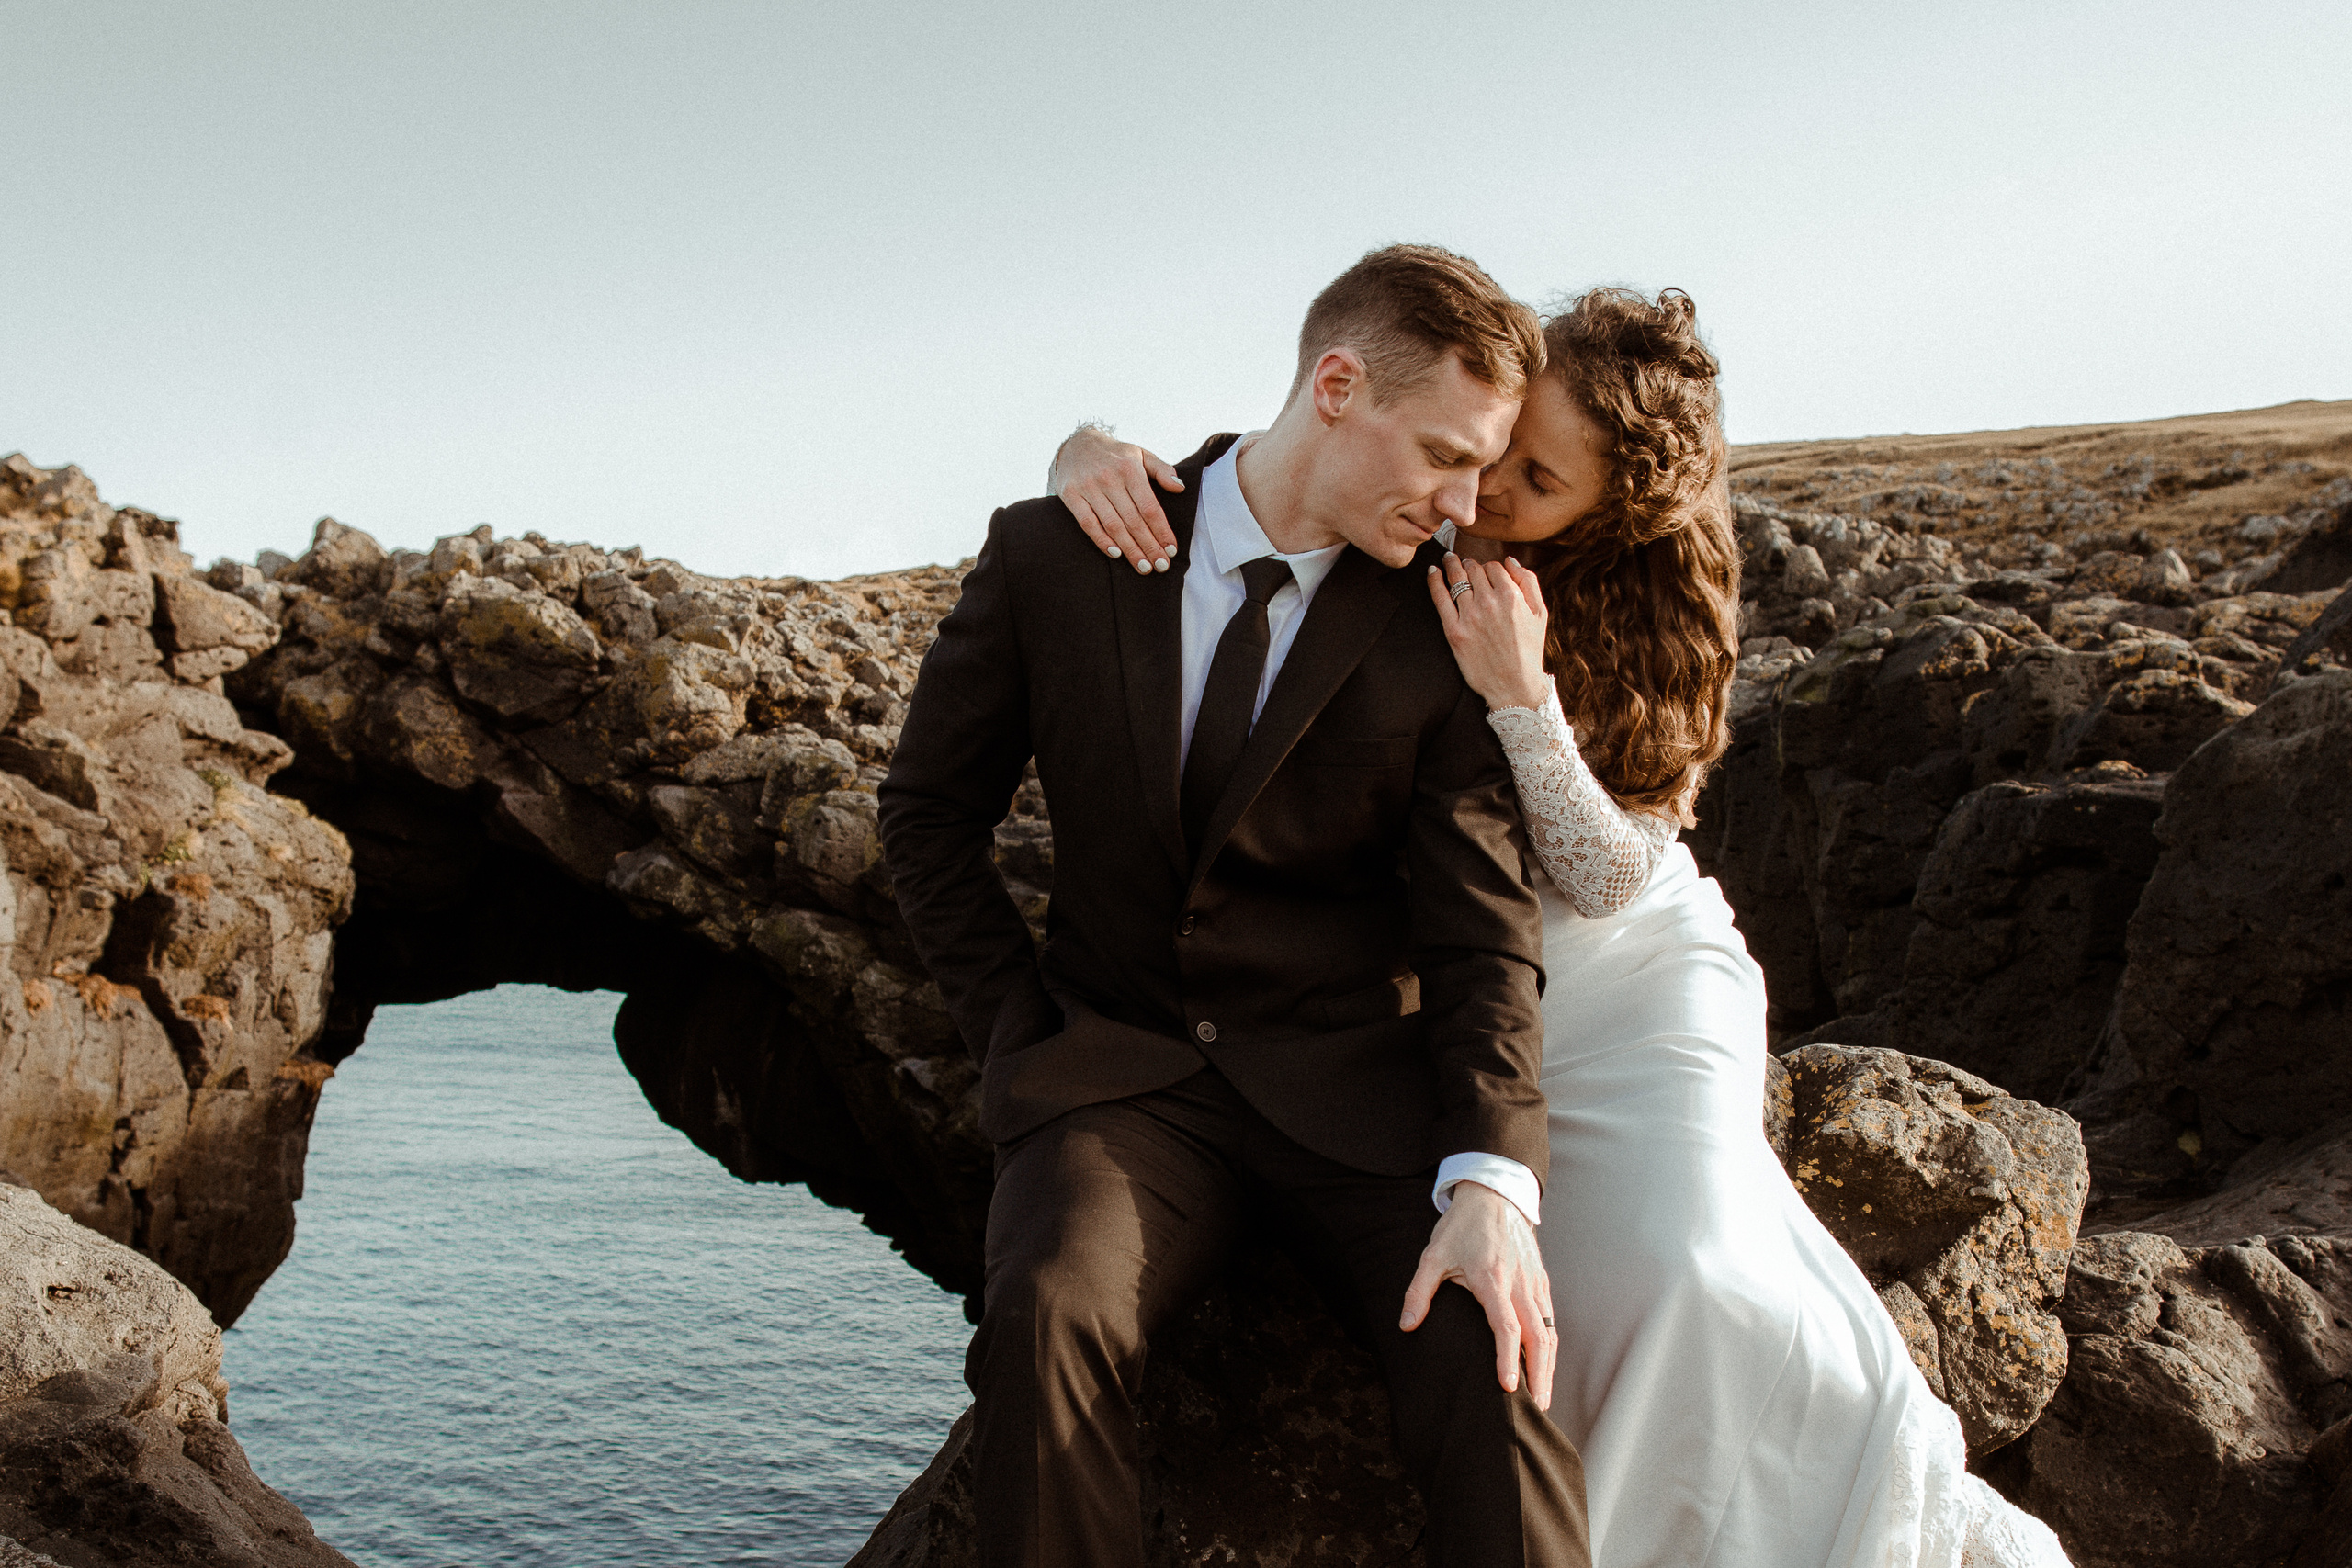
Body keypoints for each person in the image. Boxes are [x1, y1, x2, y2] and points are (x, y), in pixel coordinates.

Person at [1050, 286, 2074, 1567]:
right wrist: (1083, 452)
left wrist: (1522, 697)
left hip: (1633, 976)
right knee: (1549, 1313)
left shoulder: (1663, 610)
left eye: (1536, 479)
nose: (1487, 488)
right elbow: (1275, 467)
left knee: (1691, 1271)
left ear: (1606, 514)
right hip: (1470, 996)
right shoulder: (1431, 498)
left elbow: (1609, 871)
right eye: (1498, 442)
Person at [878, 243, 1592, 1568]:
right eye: (1442, 453)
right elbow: (926, 815)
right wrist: (1017, 1035)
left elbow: (1485, 930)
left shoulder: (1444, 617)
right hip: (1122, 1083)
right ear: (1337, 386)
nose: (1462, 503)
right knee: (1046, 1317)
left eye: (1482, 470)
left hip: (1360, 1100)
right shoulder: (1059, 553)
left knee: (1494, 1359)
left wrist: (1496, 1180)